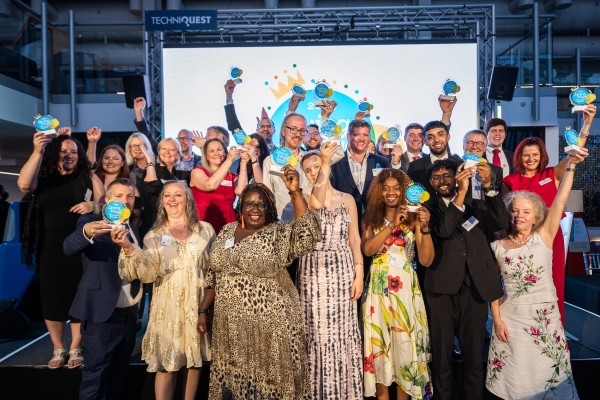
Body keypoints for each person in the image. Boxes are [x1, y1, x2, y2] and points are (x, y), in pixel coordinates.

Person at [199, 169, 323, 399]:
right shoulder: (226, 231)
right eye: (250, 203)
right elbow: (213, 274)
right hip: (230, 325)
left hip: (269, 326)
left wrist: (295, 192)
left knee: (269, 382)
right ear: (241, 206)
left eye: (261, 205)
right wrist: (203, 310)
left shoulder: (278, 233)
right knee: (235, 381)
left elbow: (307, 233)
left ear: (270, 209)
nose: (255, 209)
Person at [486, 152, 586, 400]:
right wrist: (497, 321)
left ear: (536, 216)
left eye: (526, 212)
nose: (519, 216)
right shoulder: (497, 245)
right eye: (515, 211)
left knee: (550, 374)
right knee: (514, 379)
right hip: (511, 321)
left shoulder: (545, 235)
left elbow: (562, 198)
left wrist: (571, 164)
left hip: (545, 319)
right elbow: (493, 288)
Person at [111, 181, 215, 400]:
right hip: (167, 310)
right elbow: (147, 274)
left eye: (178, 195)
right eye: (167, 195)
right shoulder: (153, 235)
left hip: (196, 307)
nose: (172, 199)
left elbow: (213, 271)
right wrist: (129, 248)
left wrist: (205, 309)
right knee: (166, 365)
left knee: (193, 362)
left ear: (187, 199)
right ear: (162, 202)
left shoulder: (205, 230)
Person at [423, 159, 510, 399]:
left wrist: (490, 186)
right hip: (440, 290)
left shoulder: (479, 205)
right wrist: (461, 195)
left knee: (473, 357)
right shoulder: (428, 209)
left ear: (456, 177)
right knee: (442, 358)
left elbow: (502, 223)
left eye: (447, 175)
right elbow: (444, 231)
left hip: (476, 289)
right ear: (431, 183)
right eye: (437, 177)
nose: (442, 181)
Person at [19, 133, 105, 369]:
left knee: (79, 296)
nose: (68, 156)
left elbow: (106, 205)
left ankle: (76, 345)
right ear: (54, 153)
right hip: (51, 248)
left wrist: (93, 205)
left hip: (83, 247)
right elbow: (25, 185)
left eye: (74, 152)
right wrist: (37, 150)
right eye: (63, 151)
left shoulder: (86, 178)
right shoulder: (44, 177)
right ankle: (58, 346)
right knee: (52, 298)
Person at [503, 104, 595, 321]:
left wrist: (587, 123)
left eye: (535, 154)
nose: (531, 159)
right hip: (520, 241)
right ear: (519, 157)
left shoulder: (552, 174)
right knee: (523, 286)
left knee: (552, 286)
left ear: (541, 155)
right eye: (526, 155)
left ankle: (555, 334)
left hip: (549, 239)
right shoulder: (510, 181)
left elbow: (574, 152)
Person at [63, 178, 141, 400]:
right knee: (95, 379)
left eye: (130, 197)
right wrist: (86, 232)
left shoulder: (134, 228)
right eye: (119, 196)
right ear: (107, 200)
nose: (125, 201)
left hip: (129, 315)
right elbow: (68, 248)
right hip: (101, 313)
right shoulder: (91, 221)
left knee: (119, 378)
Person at [361, 168, 434, 400]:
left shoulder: (414, 218)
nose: (391, 192)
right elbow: (368, 249)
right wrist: (391, 224)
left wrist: (424, 227)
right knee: (379, 345)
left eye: (396, 187)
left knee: (403, 346)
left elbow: (426, 260)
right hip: (378, 290)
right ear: (378, 192)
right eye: (386, 188)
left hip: (405, 289)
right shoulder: (371, 217)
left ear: (405, 191)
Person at [298, 143, 364, 399]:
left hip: (343, 271)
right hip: (312, 273)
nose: (314, 172)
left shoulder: (347, 199)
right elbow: (317, 203)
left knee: (342, 331)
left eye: (318, 166)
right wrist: (325, 160)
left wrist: (359, 273)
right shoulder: (305, 198)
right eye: (309, 169)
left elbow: (355, 239)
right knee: (315, 332)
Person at [330, 119, 392, 224]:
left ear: (369, 138)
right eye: (357, 135)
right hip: (343, 223)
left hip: (375, 223)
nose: (361, 139)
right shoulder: (335, 162)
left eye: (365, 135)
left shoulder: (382, 162)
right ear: (349, 137)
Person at [190, 138, 250, 234]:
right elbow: (210, 185)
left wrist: (243, 163)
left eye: (219, 149)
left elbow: (241, 191)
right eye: (211, 151)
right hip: (204, 229)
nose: (216, 153)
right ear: (206, 156)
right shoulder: (198, 172)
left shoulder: (232, 176)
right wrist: (229, 160)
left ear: (225, 152)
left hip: (227, 228)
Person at [262, 113, 314, 221]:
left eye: (302, 130)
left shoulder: (311, 160)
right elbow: (267, 197)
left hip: (310, 224)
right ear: (283, 131)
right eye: (293, 129)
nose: (298, 134)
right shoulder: (270, 162)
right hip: (284, 225)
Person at [407, 120, 462, 196]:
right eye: (430, 137)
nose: (436, 140)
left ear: (448, 137)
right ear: (425, 142)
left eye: (440, 135)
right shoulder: (415, 167)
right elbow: (411, 195)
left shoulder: (460, 165)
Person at [224, 79, 278, 153]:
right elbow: (233, 124)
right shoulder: (247, 146)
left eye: (269, 126)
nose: (265, 129)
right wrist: (229, 96)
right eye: (261, 126)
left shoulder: (280, 153)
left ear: (274, 131)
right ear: (257, 130)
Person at [143, 137, 190, 219]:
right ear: (159, 152)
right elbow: (151, 188)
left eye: (172, 149)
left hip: (182, 220)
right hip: (159, 221)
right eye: (163, 148)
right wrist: (150, 162)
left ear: (178, 155)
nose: (167, 152)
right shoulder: (151, 171)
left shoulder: (183, 175)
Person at [95, 145, 142, 226]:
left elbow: (136, 217)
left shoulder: (130, 187)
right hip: (95, 228)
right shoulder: (93, 180)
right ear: (101, 160)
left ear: (122, 163)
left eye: (115, 159)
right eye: (106, 158)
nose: (110, 161)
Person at [462, 130, 504, 199]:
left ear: (485, 148)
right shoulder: (454, 167)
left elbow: (497, 201)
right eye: (470, 143)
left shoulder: (496, 171)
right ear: (463, 146)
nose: (475, 147)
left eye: (480, 143)